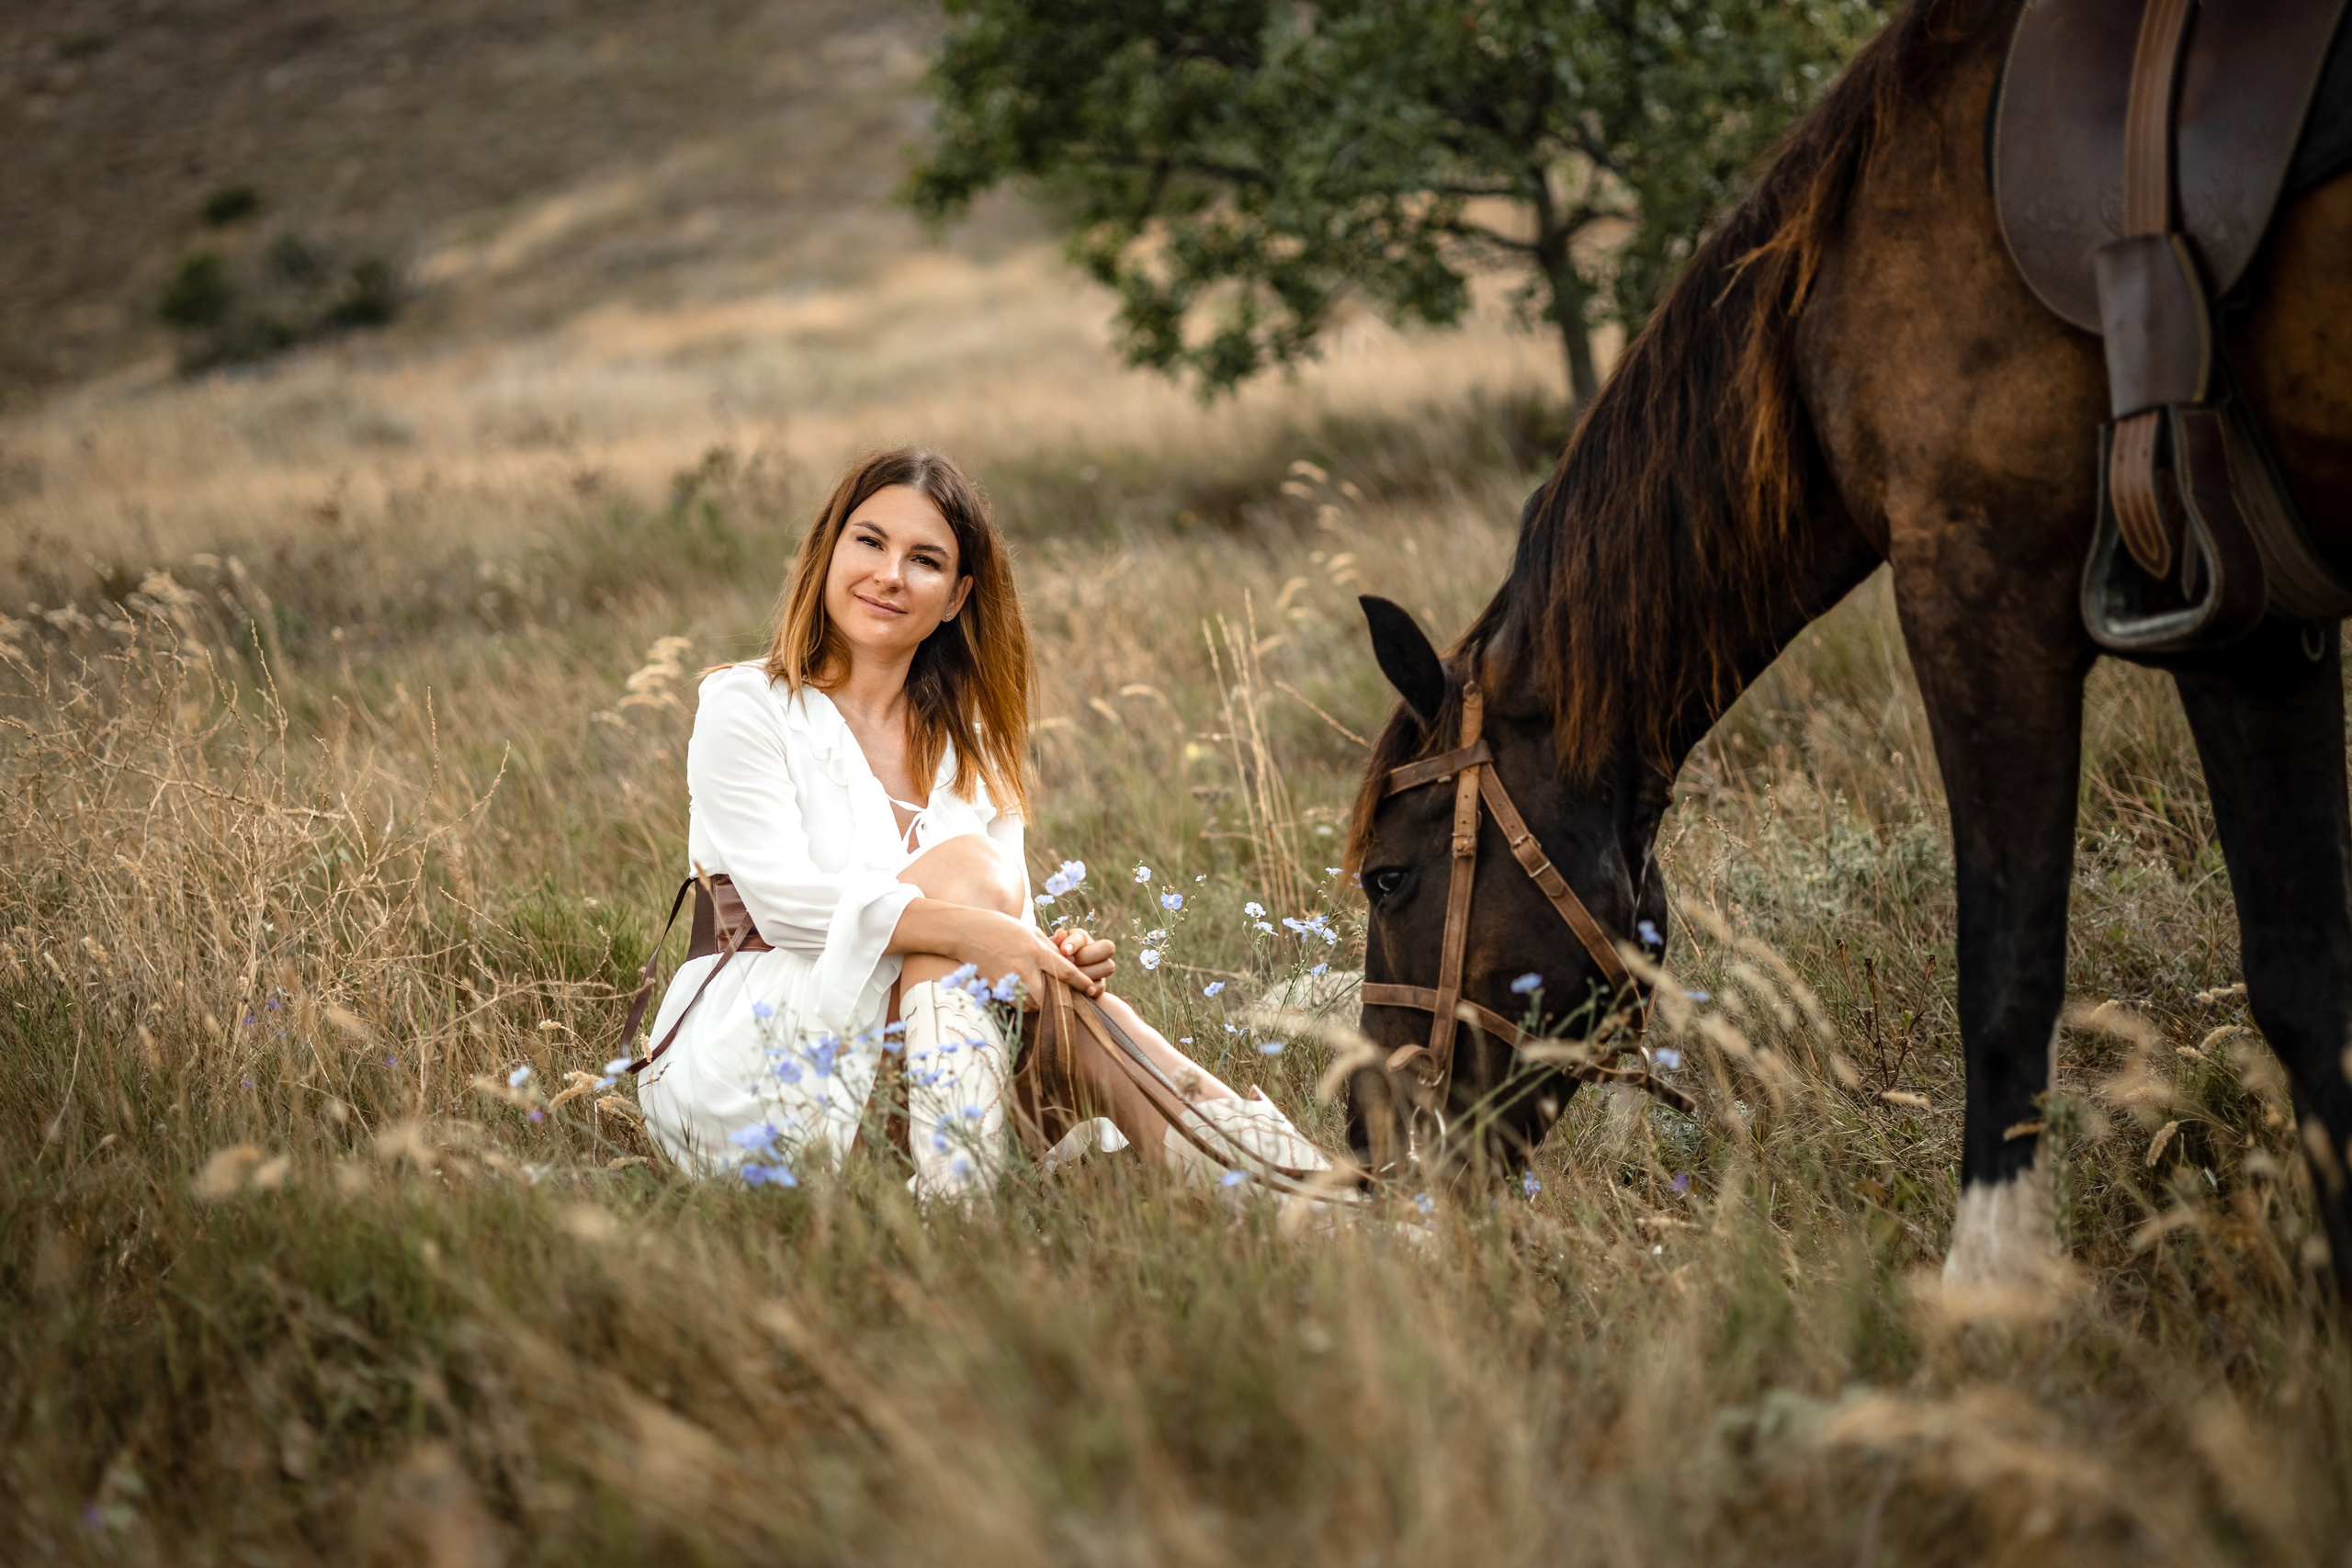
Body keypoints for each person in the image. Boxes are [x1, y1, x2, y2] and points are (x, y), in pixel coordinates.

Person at [636, 446, 1324, 1195]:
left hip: (917, 1049)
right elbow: (784, 907)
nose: (890, 574)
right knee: (968, 900)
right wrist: (975, 932)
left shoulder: (974, 744)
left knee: (1047, 991)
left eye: (924, 559)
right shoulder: (748, 706)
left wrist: (1049, 951)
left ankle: (971, 1206)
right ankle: (1288, 1181)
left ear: (958, 596)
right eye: (870, 541)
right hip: (760, 1045)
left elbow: (1007, 929)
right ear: (829, 551)